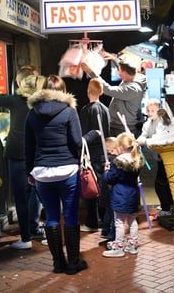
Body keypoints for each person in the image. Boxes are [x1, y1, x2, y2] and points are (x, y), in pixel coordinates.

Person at [25, 74, 99, 275]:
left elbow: (29, 147)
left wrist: (29, 172)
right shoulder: (69, 111)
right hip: (67, 172)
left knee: (51, 217)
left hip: (42, 173)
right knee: (71, 215)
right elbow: (77, 142)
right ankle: (73, 263)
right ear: (63, 90)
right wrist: (92, 135)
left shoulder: (32, 114)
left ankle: (58, 263)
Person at [0, 68, 46, 250]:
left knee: (21, 199)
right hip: (38, 157)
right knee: (42, 195)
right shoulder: (41, 104)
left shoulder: (15, 101)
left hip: (17, 156)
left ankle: (25, 238)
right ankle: (46, 231)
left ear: (20, 84)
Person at [81, 52, 146, 136]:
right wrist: (114, 59)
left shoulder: (132, 89)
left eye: (119, 71)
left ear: (125, 73)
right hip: (117, 126)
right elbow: (126, 67)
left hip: (121, 129)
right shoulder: (135, 76)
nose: (118, 72)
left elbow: (108, 90)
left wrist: (91, 72)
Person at [102, 132, 145, 257]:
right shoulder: (136, 159)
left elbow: (110, 178)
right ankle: (132, 246)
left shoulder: (117, 162)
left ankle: (118, 247)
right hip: (133, 194)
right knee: (132, 220)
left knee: (119, 222)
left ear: (120, 147)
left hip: (120, 195)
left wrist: (106, 171)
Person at [78, 78, 110, 233]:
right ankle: (104, 220)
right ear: (102, 91)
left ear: (88, 92)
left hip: (90, 154)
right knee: (103, 188)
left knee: (90, 187)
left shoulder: (86, 110)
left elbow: (83, 135)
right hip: (103, 153)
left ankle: (92, 222)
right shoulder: (105, 109)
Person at [136, 99, 174, 216]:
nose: (149, 113)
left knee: (161, 182)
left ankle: (166, 208)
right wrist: (138, 140)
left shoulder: (163, 122)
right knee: (163, 181)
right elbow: (144, 134)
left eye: (152, 110)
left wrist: (142, 141)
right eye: (148, 110)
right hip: (159, 156)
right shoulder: (147, 123)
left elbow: (158, 138)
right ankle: (169, 205)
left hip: (168, 155)